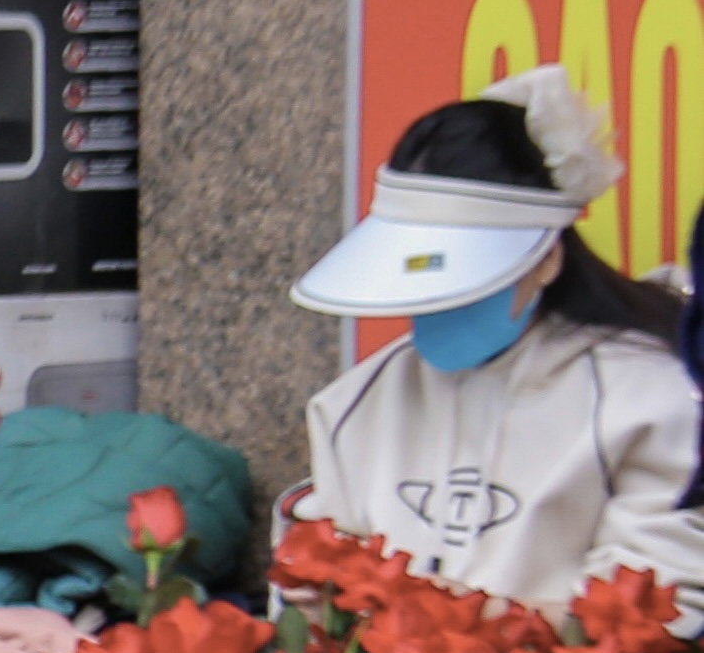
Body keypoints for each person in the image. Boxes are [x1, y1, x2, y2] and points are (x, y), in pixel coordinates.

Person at [290, 66, 704, 609]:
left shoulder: (655, 399)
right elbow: (314, 593)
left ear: (548, 260)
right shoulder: (355, 403)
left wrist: (481, 648)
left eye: (466, 283)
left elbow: (658, 606)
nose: (441, 306)